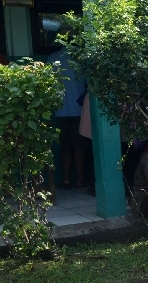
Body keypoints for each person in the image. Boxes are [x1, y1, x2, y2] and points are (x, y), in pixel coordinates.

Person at [48, 44, 89, 189]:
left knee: (65, 146)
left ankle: (65, 179)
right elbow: (88, 84)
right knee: (79, 146)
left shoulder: (52, 58)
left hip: (61, 110)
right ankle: (80, 179)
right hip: (80, 110)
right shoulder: (81, 60)